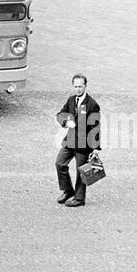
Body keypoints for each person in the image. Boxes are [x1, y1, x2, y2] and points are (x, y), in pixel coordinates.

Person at [55, 72, 101, 207]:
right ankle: (68, 190)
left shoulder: (92, 105)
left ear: (85, 86)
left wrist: (95, 148)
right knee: (60, 163)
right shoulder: (71, 100)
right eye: (75, 86)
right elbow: (60, 114)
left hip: (83, 144)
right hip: (70, 141)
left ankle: (79, 199)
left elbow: (96, 128)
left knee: (81, 171)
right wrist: (65, 122)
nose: (78, 89)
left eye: (80, 86)